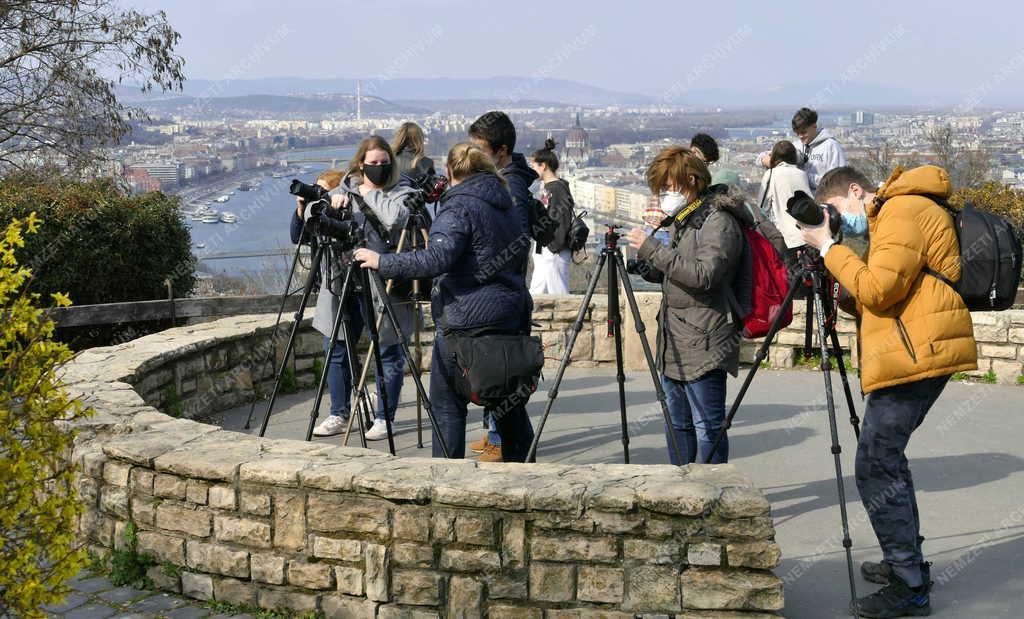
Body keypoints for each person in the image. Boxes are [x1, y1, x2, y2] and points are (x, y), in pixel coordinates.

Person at [801, 165, 977, 618]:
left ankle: (910, 585)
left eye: (837, 210)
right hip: (913, 348)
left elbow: (879, 290)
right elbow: (878, 291)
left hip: (918, 354)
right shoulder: (891, 215)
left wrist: (830, 248)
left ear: (856, 190)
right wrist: (838, 268)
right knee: (887, 459)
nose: (837, 219)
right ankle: (906, 563)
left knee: (876, 465)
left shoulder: (902, 210)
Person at [352, 142, 536, 463]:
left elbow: (437, 258)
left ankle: (447, 482)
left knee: (447, 407)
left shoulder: (459, 206)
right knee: (509, 409)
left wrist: (383, 262)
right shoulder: (507, 204)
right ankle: (526, 481)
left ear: (451, 172)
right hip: (508, 321)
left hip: (464, 326)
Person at [625, 147, 744, 465]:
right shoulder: (686, 218)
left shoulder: (718, 222)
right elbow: (680, 270)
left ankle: (715, 495)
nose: (664, 195)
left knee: (708, 428)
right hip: (675, 339)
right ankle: (681, 490)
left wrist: (652, 250)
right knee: (677, 425)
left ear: (691, 180)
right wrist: (649, 264)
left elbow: (705, 275)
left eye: (668, 187)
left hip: (706, 338)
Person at [306, 135, 421, 441]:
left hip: (386, 283)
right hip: (343, 281)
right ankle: (338, 412)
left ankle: (385, 416)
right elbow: (310, 218)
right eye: (373, 164)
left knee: (389, 351)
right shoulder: (344, 188)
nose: (380, 168)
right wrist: (330, 202)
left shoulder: (403, 191)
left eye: (384, 163)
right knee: (337, 348)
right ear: (360, 163)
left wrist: (364, 190)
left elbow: (396, 216)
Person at [466, 110, 538, 461]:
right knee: (495, 379)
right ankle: (501, 440)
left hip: (505, 299)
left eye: (480, 149)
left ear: (502, 151)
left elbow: (517, 243)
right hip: (498, 296)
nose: (473, 156)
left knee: (504, 381)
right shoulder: (502, 180)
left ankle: (511, 450)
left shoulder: (513, 187)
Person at [527, 138, 575, 294]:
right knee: (537, 291)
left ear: (543, 165)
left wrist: (554, 246)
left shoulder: (558, 188)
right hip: (546, 249)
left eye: (533, 166)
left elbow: (563, 219)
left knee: (558, 292)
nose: (531, 169)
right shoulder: (549, 187)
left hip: (554, 250)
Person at [757, 107, 846, 190]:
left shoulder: (831, 146)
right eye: (797, 133)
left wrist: (801, 176)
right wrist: (765, 160)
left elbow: (838, 180)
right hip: (798, 203)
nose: (800, 136)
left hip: (820, 203)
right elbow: (760, 158)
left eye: (803, 132)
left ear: (814, 126)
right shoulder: (796, 146)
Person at [758, 140, 812, 266]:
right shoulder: (801, 174)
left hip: (785, 236)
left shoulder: (771, 174)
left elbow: (762, 206)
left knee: (787, 275)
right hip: (806, 233)